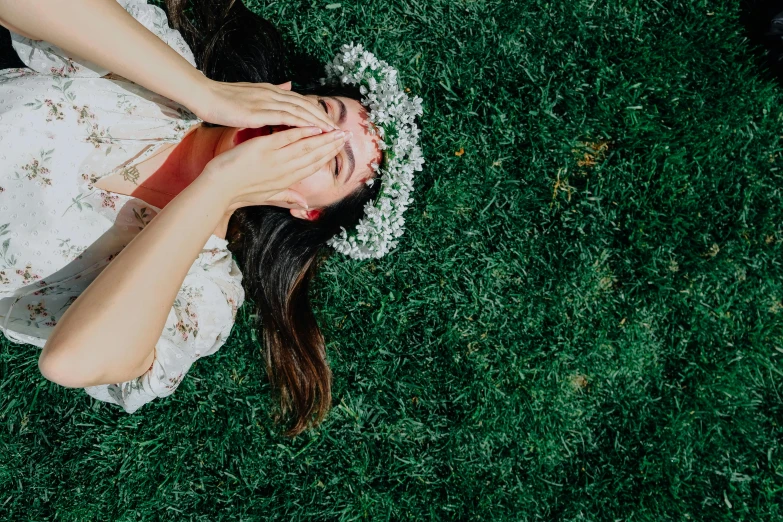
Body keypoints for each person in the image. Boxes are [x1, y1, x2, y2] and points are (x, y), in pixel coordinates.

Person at [0, 0, 423, 437]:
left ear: (307, 211)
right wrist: (204, 93)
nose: (308, 136)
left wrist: (218, 187)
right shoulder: (161, 68)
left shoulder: (205, 293)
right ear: (289, 92)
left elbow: (70, 361)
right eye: (324, 112)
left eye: (334, 163)